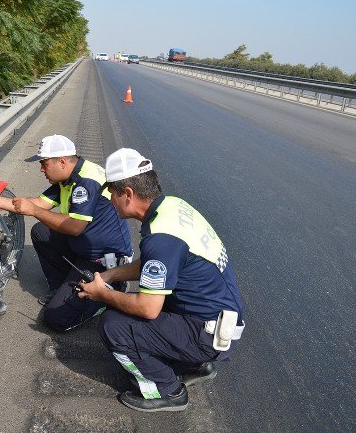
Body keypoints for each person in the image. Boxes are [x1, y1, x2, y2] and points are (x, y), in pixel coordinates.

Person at [77, 148, 245, 412]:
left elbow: (147, 308)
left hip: (207, 333)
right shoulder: (173, 207)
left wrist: (102, 293)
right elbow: (159, 266)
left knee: (114, 324)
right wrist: (109, 275)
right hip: (221, 319)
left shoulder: (161, 238)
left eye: (112, 192)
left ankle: (168, 390)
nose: (109, 199)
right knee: (144, 298)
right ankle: (194, 364)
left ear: (129, 194)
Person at [0, 134, 133, 331]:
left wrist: (34, 211)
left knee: (56, 319)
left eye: (44, 163)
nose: (41, 169)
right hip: (84, 248)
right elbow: (39, 203)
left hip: (103, 262)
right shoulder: (67, 177)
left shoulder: (86, 181)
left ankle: (109, 293)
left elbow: (74, 226)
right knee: (41, 231)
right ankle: (61, 287)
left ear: (61, 161)